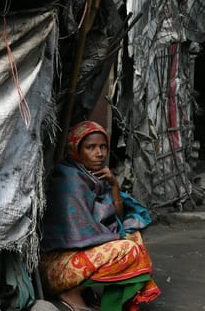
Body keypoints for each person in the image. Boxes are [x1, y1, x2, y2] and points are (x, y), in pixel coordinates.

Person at [40, 121, 160, 311]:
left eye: (103, 147)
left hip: (74, 256)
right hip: (55, 266)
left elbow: (118, 219)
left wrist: (114, 185)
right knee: (129, 250)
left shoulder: (92, 177)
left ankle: (99, 299)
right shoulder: (69, 180)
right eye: (91, 147)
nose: (100, 153)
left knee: (133, 239)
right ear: (75, 149)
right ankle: (70, 292)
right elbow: (79, 235)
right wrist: (118, 240)